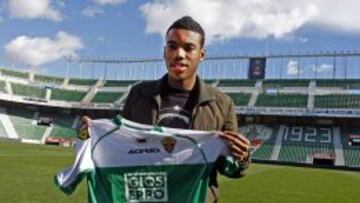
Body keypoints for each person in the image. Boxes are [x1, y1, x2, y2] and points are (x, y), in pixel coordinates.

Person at [82, 16, 250, 203]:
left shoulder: (221, 103)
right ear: (164, 52)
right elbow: (122, 144)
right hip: (147, 195)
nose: (179, 54)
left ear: (201, 55)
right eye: (172, 46)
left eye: (188, 48)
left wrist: (241, 158)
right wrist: (93, 134)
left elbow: (230, 168)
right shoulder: (139, 93)